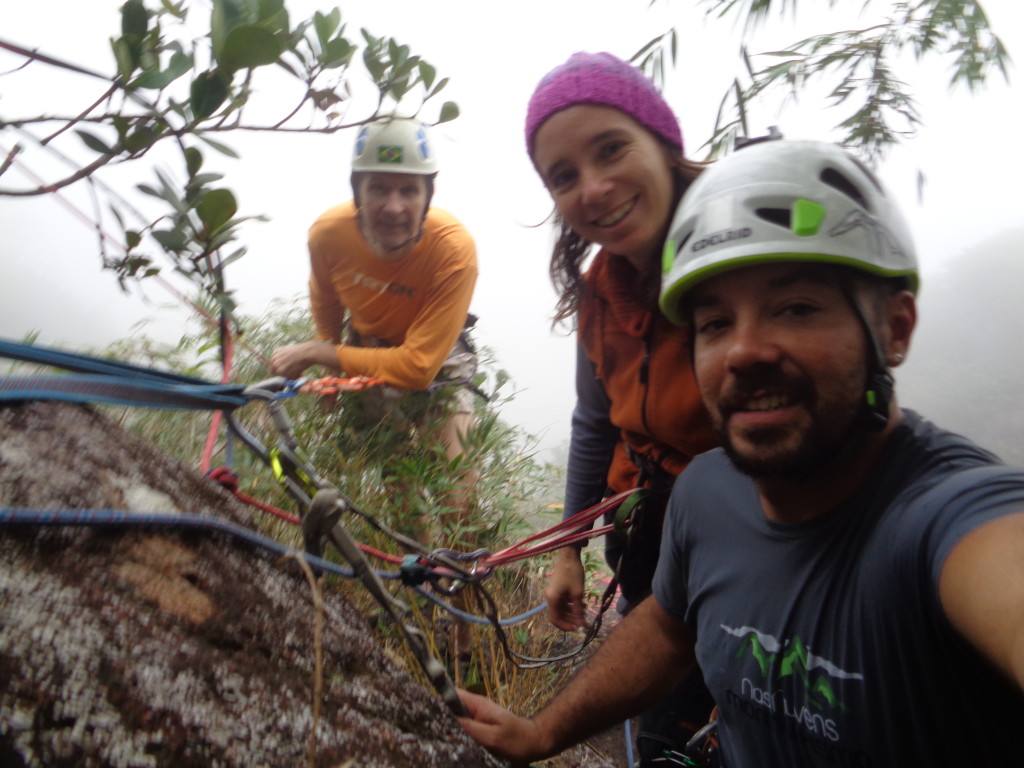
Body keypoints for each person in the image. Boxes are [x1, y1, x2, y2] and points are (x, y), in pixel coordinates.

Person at [457, 138, 1024, 766]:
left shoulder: (951, 521)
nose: (744, 351)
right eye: (715, 323)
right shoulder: (707, 492)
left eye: (797, 308)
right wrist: (543, 734)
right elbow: (669, 627)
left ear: (895, 328)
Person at [524, 51, 720, 757]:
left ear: (663, 144)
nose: (594, 188)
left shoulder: (737, 262)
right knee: (661, 730)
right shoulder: (601, 293)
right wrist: (568, 552)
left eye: (611, 149)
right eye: (563, 176)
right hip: (644, 535)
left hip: (735, 551)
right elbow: (594, 423)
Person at [270, 117, 479, 538]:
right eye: (379, 188)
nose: (394, 207)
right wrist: (331, 369)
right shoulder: (328, 235)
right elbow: (326, 300)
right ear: (358, 193)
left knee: (457, 497)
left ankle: (468, 571)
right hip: (367, 348)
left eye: (408, 190)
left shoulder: (453, 249)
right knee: (402, 491)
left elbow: (419, 367)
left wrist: (319, 353)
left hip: (437, 356)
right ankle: (421, 575)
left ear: (428, 196)